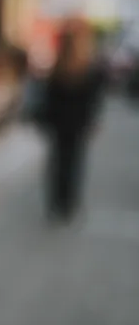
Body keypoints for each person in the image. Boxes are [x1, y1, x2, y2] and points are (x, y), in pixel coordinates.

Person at [40, 18, 105, 221]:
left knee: (59, 162)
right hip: (76, 123)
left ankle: (58, 202)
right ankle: (68, 204)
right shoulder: (86, 66)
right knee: (74, 163)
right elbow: (93, 99)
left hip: (60, 122)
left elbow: (49, 96)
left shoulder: (59, 66)